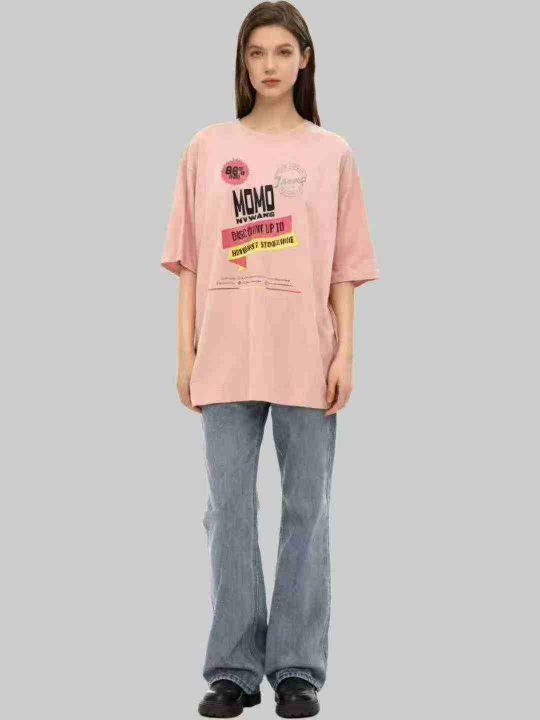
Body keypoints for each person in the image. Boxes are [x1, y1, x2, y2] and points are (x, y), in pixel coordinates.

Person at [160, 2, 380, 717]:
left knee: (306, 510)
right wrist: (185, 351)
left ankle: (296, 670)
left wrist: (345, 353)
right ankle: (233, 668)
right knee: (229, 510)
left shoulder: (332, 154)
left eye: (284, 51)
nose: (270, 66)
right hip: (224, 353)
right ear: (242, 62)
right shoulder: (206, 147)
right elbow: (189, 262)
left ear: (305, 58)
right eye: (257, 53)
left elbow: (345, 268)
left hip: (306, 355)